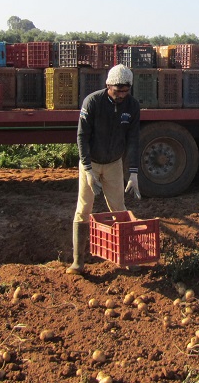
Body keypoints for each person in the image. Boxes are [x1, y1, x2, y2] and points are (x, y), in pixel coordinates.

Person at [66, 63, 142, 275]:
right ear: (108, 85)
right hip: (91, 163)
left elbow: (133, 139)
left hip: (113, 164)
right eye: (118, 91)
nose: (121, 96)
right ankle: (78, 262)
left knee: (119, 208)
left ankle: (128, 257)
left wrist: (133, 172)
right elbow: (82, 136)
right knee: (83, 209)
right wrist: (87, 168)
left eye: (125, 92)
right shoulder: (93, 102)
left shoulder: (132, 106)